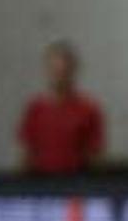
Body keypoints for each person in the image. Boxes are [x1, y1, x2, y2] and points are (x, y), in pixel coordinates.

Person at [18, 40, 105, 174]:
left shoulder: (88, 109)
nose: (59, 76)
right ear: (47, 70)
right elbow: (26, 153)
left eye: (63, 71)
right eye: (54, 70)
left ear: (72, 71)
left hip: (76, 183)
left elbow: (95, 155)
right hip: (40, 183)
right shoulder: (35, 109)